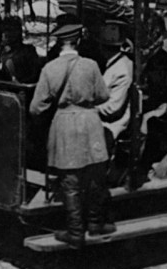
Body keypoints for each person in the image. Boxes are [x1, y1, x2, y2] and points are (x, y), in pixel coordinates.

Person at [29, 22, 113, 248]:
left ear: (59, 43)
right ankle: (95, 224)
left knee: (71, 181)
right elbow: (103, 96)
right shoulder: (91, 65)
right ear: (78, 42)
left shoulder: (50, 69)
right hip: (90, 122)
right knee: (95, 176)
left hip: (64, 124)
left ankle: (75, 231)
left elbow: (36, 107)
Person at [94, 20, 134, 153]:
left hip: (112, 124)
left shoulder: (121, 70)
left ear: (102, 47)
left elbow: (112, 108)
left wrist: (88, 108)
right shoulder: (114, 64)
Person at [0, 16, 42, 83]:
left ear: (18, 32)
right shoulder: (1, 52)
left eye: (9, 31)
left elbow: (35, 75)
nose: (5, 34)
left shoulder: (28, 51)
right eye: (3, 31)